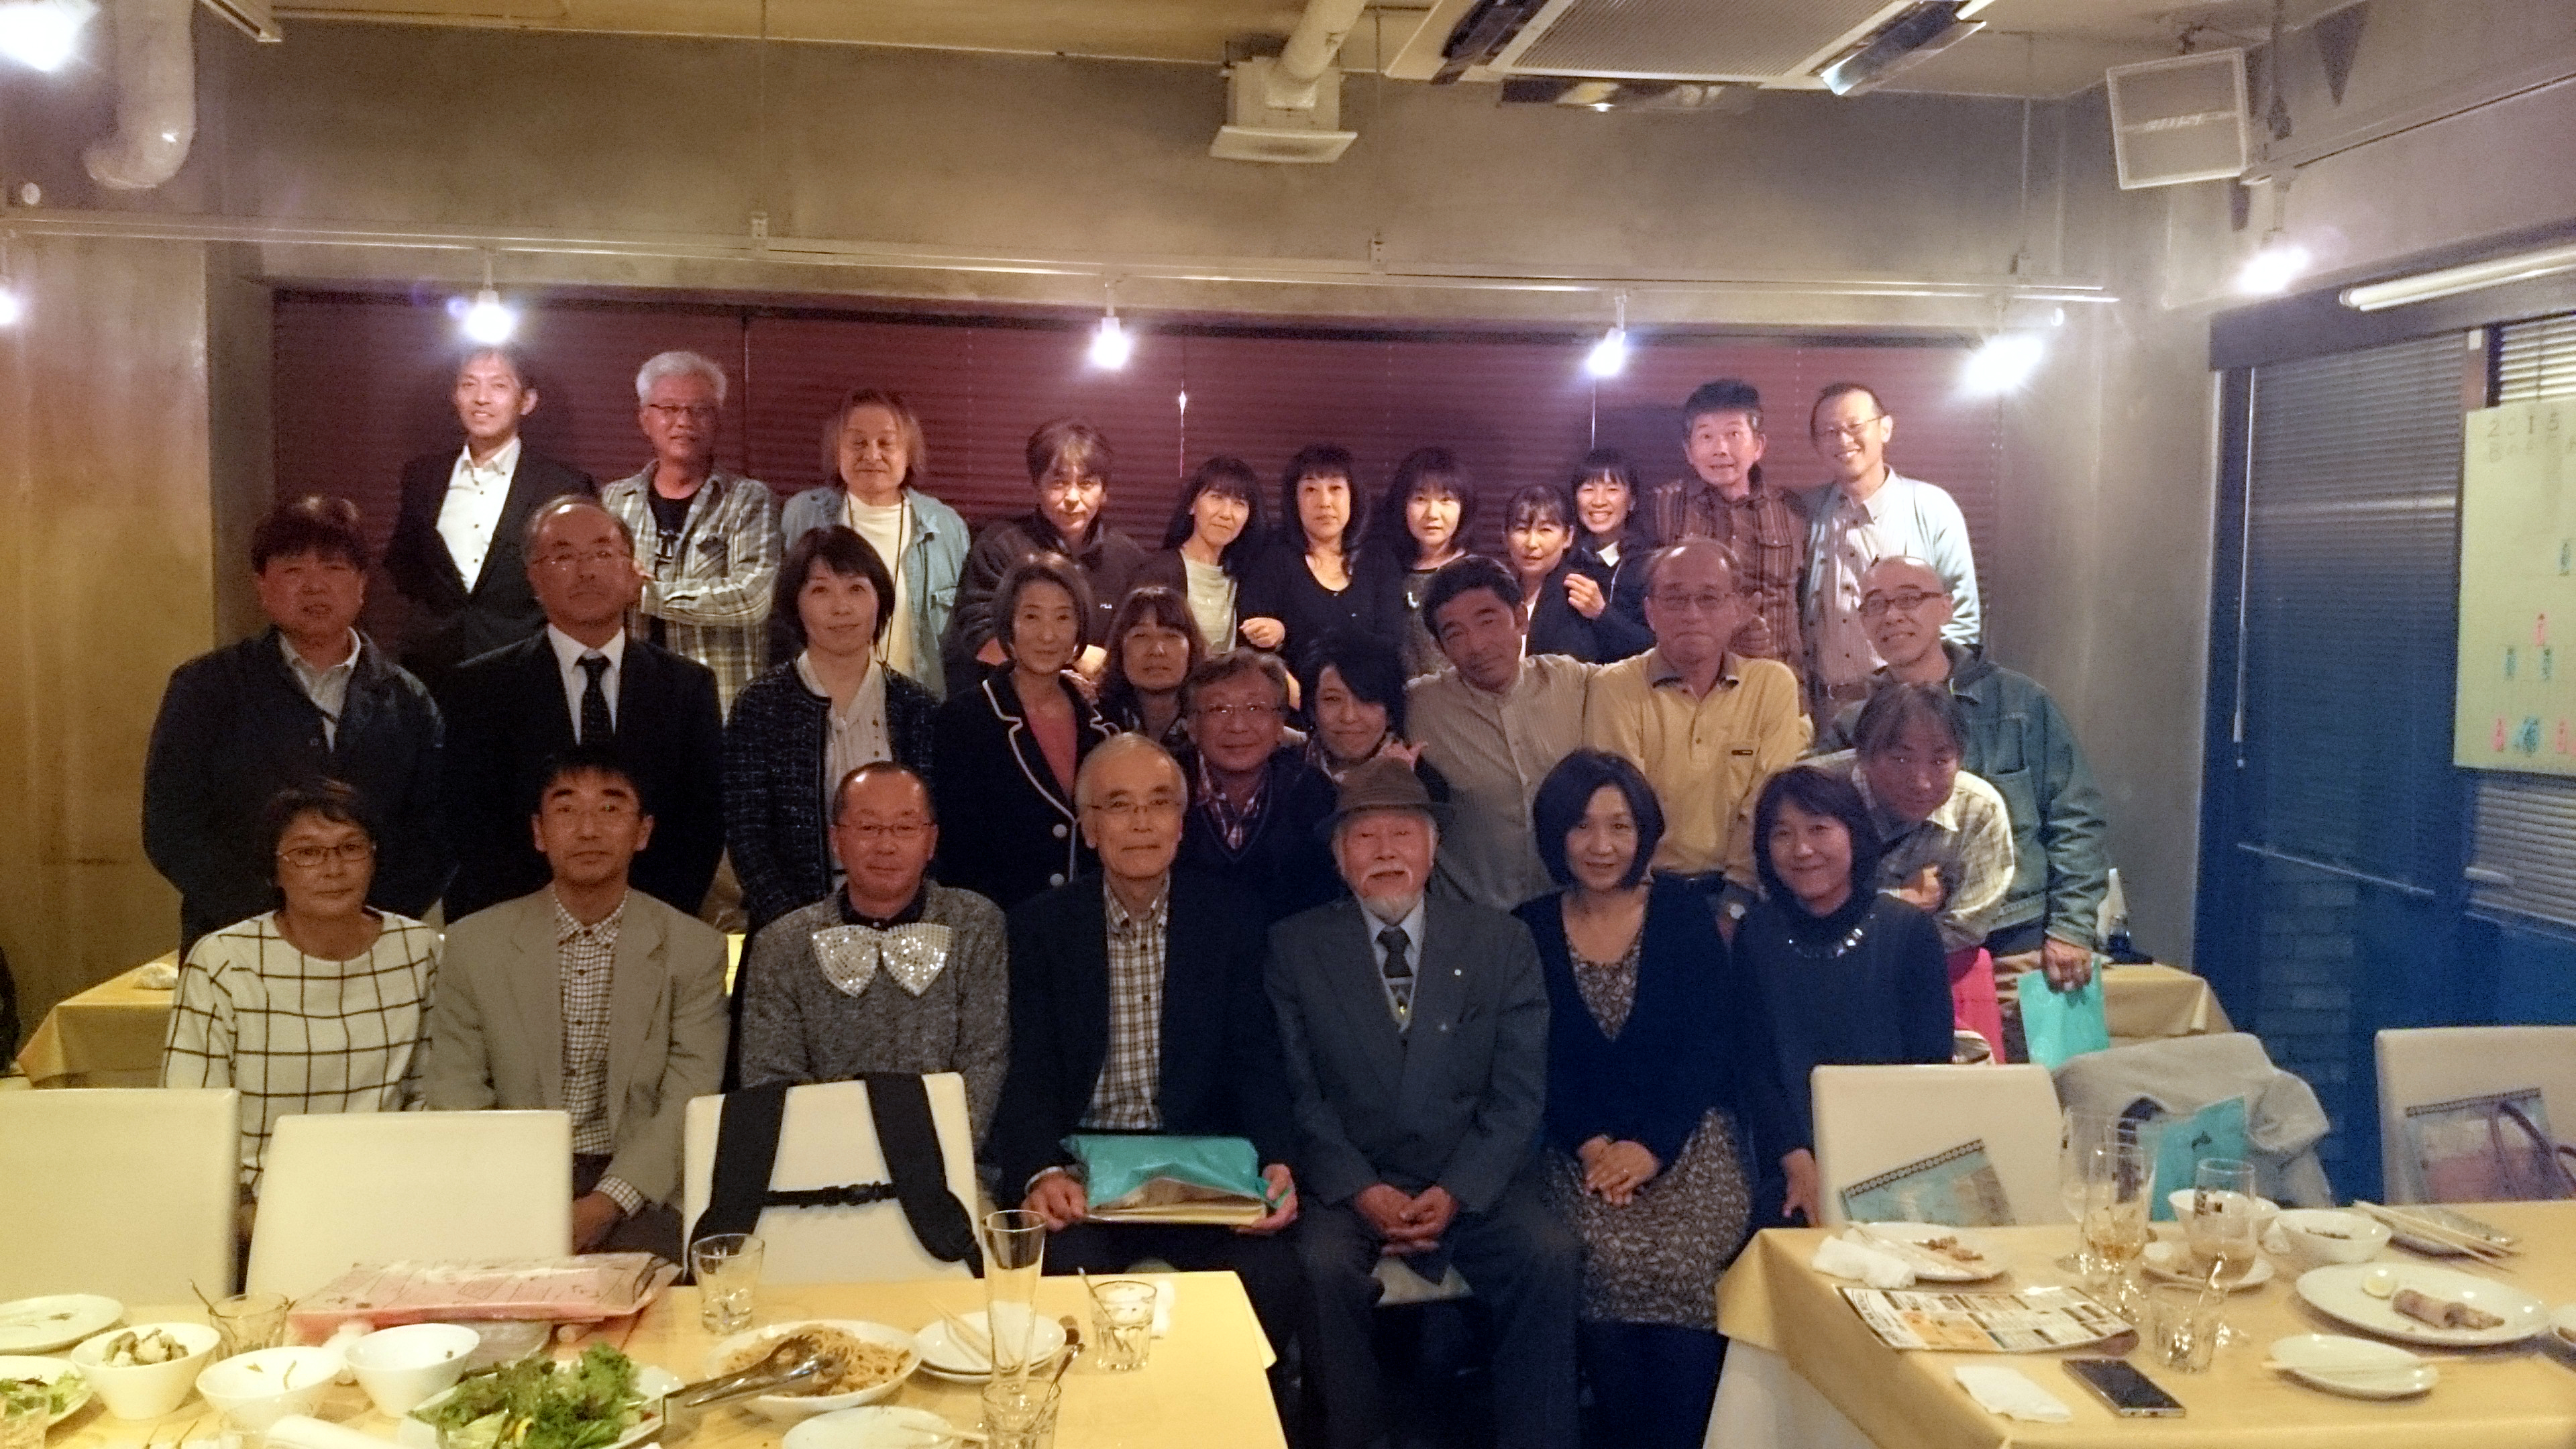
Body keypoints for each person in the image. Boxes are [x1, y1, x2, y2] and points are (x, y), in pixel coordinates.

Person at [1267, 757, 1577, 1449]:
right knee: (1318, 1267)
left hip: (1469, 1176)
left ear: (1433, 849)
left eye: (1403, 834)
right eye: (1364, 837)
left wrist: (1459, 1189)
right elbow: (1299, 1092)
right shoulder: (1295, 948)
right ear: (1339, 857)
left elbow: (1519, 1092)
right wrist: (1360, 1189)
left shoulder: (1502, 942)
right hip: (1352, 1181)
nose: (1385, 852)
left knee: (1550, 1255)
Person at [991, 736, 1304, 1405]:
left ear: (1181, 823)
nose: (1141, 824)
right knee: (1063, 1279)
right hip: (1087, 1178)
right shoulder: (1040, 928)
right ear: (1089, 826)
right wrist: (1041, 1172)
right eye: (1119, 805)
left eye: (1159, 804)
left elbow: (1257, 1059)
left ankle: (1239, 1427)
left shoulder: (1232, 919)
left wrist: (1278, 1159)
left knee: (1271, 1273)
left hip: (1203, 1175)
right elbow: (1027, 1071)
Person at [1513, 752, 1799, 1449]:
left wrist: (1651, 1149)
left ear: (1643, 832)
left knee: (1683, 1259)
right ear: (1555, 835)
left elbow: (1709, 1044)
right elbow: (1535, 1061)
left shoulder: (1679, 912)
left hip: (1686, 1136)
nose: (1602, 845)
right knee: (1600, 1255)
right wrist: (1594, 1146)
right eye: (1582, 827)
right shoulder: (1528, 927)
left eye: (1620, 826)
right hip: (1582, 1149)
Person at [421, 747, 730, 1258]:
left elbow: (689, 1099)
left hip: (642, 1187)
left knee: (645, 1296)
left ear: (643, 831)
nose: (588, 830)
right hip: (509, 1179)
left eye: (610, 808)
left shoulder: (694, 950)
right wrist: (528, 1198)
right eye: (566, 809)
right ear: (539, 832)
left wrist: (607, 1202)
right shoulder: (475, 946)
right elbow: (457, 1090)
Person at [144, 496, 447, 957]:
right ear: (262, 586)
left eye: (333, 568)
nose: (314, 586)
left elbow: (435, 833)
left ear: (362, 585)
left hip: (372, 948)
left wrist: (359, 920)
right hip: (238, 945)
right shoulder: (206, 688)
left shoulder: (408, 700)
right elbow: (172, 826)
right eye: (292, 570)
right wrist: (280, 923)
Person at [1824, 557, 2107, 993]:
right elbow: (1821, 833)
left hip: (2016, 935)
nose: (1892, 616)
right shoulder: (1853, 724)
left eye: (1909, 599)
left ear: (1946, 607)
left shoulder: (2020, 704)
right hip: (1894, 941)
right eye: (1876, 604)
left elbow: (2076, 818)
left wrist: (2071, 928)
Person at [439, 496, 726, 920]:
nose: (587, 570)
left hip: (654, 923)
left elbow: (702, 823)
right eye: (564, 556)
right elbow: (471, 825)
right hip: (517, 925)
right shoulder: (479, 687)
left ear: (632, 570)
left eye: (603, 553)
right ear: (533, 576)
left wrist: (641, 919)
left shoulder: (687, 687)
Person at [163, 782, 441, 1199]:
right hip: (259, 1200)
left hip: (388, 1192)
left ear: (373, 858)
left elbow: (429, 1095)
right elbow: (191, 1117)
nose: (333, 869)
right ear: (275, 871)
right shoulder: (223, 960)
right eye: (308, 853)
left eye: (351, 848)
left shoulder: (419, 950)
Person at [735, 763, 1010, 1140]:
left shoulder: (976, 925)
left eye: (905, 827)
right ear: (836, 840)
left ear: (931, 841)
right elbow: (770, 1079)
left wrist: (934, 1154)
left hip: (951, 1158)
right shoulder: (782, 944)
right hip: (820, 1159)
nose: (886, 845)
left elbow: (985, 1061)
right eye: (868, 828)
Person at [1735, 765, 1951, 1194]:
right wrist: (1797, 1163)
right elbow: (1754, 1065)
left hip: (1899, 1160)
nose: (1802, 849)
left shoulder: (1908, 931)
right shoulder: (1756, 934)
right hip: (1792, 1162)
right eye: (1782, 834)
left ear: (1853, 832)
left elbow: (1929, 1066)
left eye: (1819, 829)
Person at [724, 526, 940, 936]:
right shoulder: (760, 705)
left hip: (906, 929)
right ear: (796, 604)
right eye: (821, 591)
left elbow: (935, 832)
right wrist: (798, 929)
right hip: (789, 929)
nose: (841, 608)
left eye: (856, 589)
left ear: (881, 600)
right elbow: (748, 837)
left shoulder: (917, 707)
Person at [1582, 540, 1809, 926]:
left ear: (1737, 609)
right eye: (1675, 599)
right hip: (1645, 892)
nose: (1692, 614)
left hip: (1746, 892)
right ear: (1650, 612)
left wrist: (1736, 901)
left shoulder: (1771, 685)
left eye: (1709, 598)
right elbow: (1620, 808)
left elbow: (1767, 802)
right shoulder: (1616, 687)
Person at [1819, 684, 2017, 1062]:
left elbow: (1966, 926)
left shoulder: (1979, 810)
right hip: (1816, 979)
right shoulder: (1814, 796)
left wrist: (1868, 933)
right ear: (1863, 754)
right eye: (1901, 759)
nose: (1922, 782)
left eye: (1941, 761)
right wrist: (1902, 904)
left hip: (1931, 980)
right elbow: (1786, 905)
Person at [384, 346, 597, 692]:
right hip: (432, 667)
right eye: (469, 384)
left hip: (524, 665)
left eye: (499, 386)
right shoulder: (422, 476)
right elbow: (402, 561)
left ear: (527, 401)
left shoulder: (562, 484)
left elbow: (575, 578)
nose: (481, 398)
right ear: (455, 396)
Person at [600, 350, 780, 714]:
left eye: (700, 410)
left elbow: (753, 597)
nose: (684, 421)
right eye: (669, 409)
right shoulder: (614, 500)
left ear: (718, 421)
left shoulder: (749, 499)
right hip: (631, 697)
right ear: (644, 419)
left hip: (719, 698)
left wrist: (645, 593)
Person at [1407, 557, 1592, 911]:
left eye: (1487, 620)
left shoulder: (1573, 683)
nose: (1476, 645)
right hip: (1475, 917)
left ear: (1520, 618)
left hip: (1571, 910)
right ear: (1441, 648)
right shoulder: (1419, 705)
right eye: (1455, 634)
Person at [931, 555, 1114, 909]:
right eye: (1031, 616)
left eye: (1063, 617)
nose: (1048, 635)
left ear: (1079, 629)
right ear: (1008, 625)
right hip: (1001, 921)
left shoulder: (1101, 723)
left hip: (1084, 920)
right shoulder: (965, 720)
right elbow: (957, 853)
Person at [1804, 382, 1983, 716]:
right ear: (1817, 444)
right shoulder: (1808, 512)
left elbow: (1960, 619)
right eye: (1829, 432)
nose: (1843, 439)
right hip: (1824, 708)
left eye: (1855, 426)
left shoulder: (1931, 507)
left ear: (1885, 428)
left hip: (1908, 704)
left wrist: (1930, 700)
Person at [780, 388, 971, 698]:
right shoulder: (804, 515)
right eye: (858, 443)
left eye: (886, 443)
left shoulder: (946, 527)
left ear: (908, 453)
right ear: (836, 451)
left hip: (919, 703)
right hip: (823, 701)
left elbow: (960, 642)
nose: (871, 455)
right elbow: (784, 621)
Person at [943, 418, 1148, 686]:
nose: (1072, 497)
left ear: (1103, 492)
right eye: (1059, 483)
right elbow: (981, 640)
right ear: (1036, 486)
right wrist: (1074, 656)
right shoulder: (1001, 546)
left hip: (1103, 702)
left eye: (1086, 484)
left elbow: (1140, 640)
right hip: (1013, 697)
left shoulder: (1128, 557)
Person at [1642, 380, 1807, 683]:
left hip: (1779, 683)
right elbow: (1648, 597)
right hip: (1690, 686)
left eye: (1734, 434)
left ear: (1758, 446)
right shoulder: (1662, 506)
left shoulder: (1793, 510)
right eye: (1706, 436)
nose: (1720, 449)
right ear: (1689, 451)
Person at [1175, 650, 1341, 924]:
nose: (1238, 726)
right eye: (1218, 709)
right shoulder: (1163, 788)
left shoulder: (1311, 792)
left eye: (1255, 708)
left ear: (1279, 724)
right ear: (1192, 726)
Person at [1239, 443, 1403, 682]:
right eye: (1310, 490)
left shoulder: (1378, 558)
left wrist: (1289, 633)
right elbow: (1253, 650)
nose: (1324, 502)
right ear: (1295, 500)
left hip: (1367, 694)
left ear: (1353, 496)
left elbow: (1390, 643)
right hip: (1293, 697)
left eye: (1335, 488)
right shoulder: (1272, 558)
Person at [1298, 629, 1448, 798]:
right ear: (1312, 709)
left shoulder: (1425, 785)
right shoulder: (1285, 775)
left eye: (1366, 699)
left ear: (1390, 712)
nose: (1349, 717)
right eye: (1332, 699)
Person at [1509, 483, 1648, 663]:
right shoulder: (1499, 593)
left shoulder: (1580, 592)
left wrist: (1602, 614)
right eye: (1521, 529)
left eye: (1545, 530)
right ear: (1505, 537)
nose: (1532, 543)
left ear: (1568, 537)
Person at [1136, 454, 1263, 654]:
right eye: (1217, 498)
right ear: (1192, 505)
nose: (1226, 514)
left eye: (1239, 503)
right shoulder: (1159, 572)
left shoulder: (1247, 575)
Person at [1375, 447, 1475, 679]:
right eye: (1420, 499)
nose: (1432, 513)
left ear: (1464, 507)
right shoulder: (1388, 571)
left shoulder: (1476, 576)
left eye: (1446, 499)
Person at [1095, 586, 1205, 751]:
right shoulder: (1094, 723)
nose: (1157, 650)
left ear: (1192, 648)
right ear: (1120, 648)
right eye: (1141, 636)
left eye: (1171, 636)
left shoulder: (1210, 723)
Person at [1568, 448, 1654, 647]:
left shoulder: (1649, 567)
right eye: (1588, 490)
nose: (1599, 501)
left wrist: (1601, 613)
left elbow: (1657, 645)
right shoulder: (1568, 559)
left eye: (1612, 490)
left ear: (1632, 501)